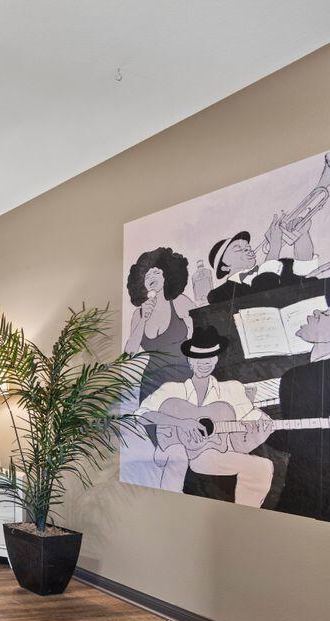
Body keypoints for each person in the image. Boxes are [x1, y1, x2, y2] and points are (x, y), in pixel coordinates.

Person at [136, 326, 274, 506]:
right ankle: (169, 509)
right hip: (173, 448)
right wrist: (180, 423)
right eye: (198, 357)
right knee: (179, 454)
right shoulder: (172, 390)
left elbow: (252, 418)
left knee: (263, 466)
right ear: (189, 360)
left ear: (216, 359)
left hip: (209, 454)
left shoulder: (231, 389)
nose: (204, 362)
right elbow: (141, 415)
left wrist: (261, 430)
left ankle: (244, 516)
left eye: (209, 356)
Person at [205, 154, 329, 304]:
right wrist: (274, 247)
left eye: (247, 246)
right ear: (224, 267)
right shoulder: (219, 295)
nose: (248, 249)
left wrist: (303, 235)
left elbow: (306, 273)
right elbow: (263, 296)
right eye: (237, 248)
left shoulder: (279, 264)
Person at [273, 307, 330, 520]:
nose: (314, 312)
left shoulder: (297, 376)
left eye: (324, 315)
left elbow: (297, 439)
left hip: (309, 487)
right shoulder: (297, 375)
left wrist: (262, 429)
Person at [123, 247, 194, 402]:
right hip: (151, 382)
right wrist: (143, 319)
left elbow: (201, 328)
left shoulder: (179, 302)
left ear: (167, 276)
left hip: (181, 374)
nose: (151, 277)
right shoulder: (139, 313)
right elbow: (130, 352)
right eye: (147, 275)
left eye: (156, 272)